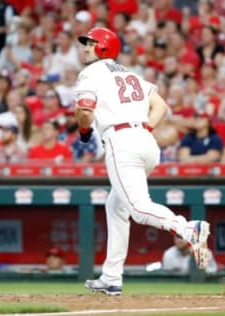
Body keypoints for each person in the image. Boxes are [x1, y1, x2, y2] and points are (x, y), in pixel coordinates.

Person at [74, 27, 210, 295]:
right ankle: (112, 277)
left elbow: (85, 111)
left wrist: (84, 131)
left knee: (137, 207)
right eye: (85, 44)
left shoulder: (90, 73)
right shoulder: (130, 73)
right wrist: (145, 130)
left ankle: (188, 229)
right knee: (116, 207)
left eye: (91, 44)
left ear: (103, 47)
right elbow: (161, 106)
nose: (85, 48)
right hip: (145, 141)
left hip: (121, 141)